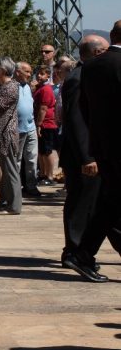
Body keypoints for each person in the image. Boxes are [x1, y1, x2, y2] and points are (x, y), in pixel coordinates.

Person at [60, 35, 116, 282]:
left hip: (95, 153)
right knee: (82, 204)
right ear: (96, 52)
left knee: (103, 204)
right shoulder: (78, 77)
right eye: (104, 49)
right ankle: (74, 250)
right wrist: (87, 156)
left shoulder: (90, 74)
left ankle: (80, 252)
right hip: (83, 156)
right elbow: (77, 121)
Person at [78, 21, 121, 280]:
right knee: (112, 202)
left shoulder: (91, 66)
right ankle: (82, 253)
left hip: (103, 145)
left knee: (111, 201)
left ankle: (83, 254)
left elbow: (84, 108)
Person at [0, 58, 22, 215]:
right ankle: (4, 203)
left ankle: (14, 206)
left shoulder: (11, 87)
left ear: (2, 70)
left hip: (7, 134)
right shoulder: (3, 85)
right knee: (5, 171)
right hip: (0, 133)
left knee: (10, 170)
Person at [15, 62, 42, 199]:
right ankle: (15, 188)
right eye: (27, 72)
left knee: (32, 159)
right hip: (17, 129)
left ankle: (31, 186)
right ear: (18, 72)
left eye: (30, 72)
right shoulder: (12, 87)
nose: (30, 74)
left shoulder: (28, 87)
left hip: (30, 128)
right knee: (17, 160)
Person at [33, 65, 60, 186]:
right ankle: (43, 174)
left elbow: (43, 108)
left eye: (42, 74)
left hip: (47, 124)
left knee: (47, 151)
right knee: (42, 151)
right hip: (41, 123)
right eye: (38, 73)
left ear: (48, 75)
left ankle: (50, 176)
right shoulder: (40, 88)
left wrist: (39, 124)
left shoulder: (46, 89)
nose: (39, 76)